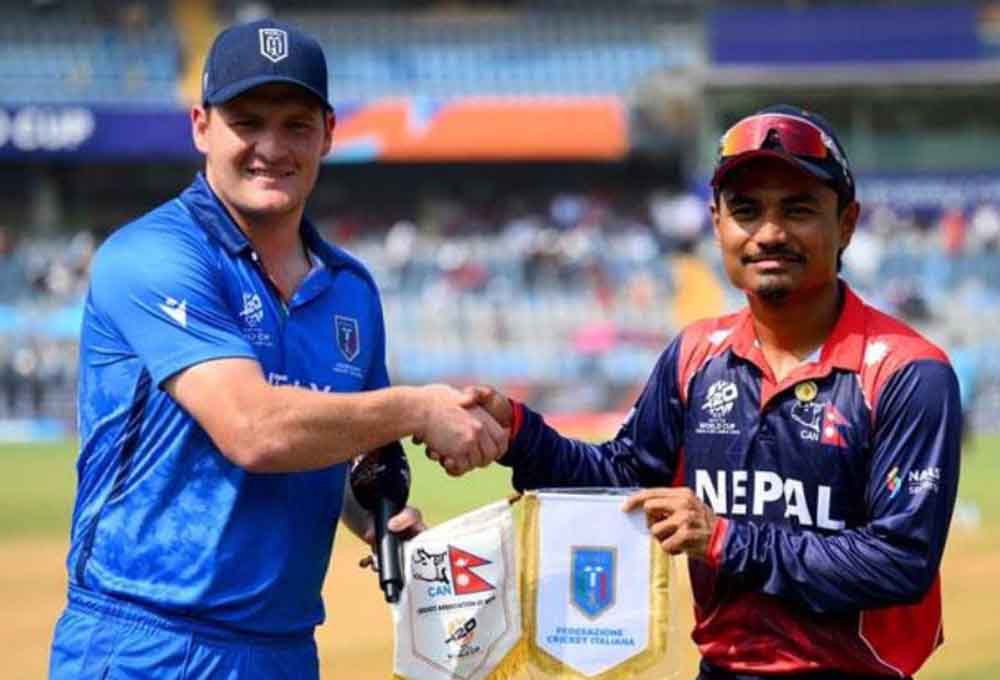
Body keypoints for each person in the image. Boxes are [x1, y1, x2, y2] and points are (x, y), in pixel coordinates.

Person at [436, 105, 962, 680]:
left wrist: (725, 539)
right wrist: (517, 433)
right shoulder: (695, 356)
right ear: (717, 224)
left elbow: (899, 561)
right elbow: (623, 484)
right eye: (746, 211)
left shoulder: (908, 372)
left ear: (847, 223)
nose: (770, 233)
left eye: (798, 209)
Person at [49, 18, 505, 680]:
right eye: (247, 122)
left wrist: (377, 519)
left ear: (328, 133)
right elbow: (254, 429)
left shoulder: (350, 288)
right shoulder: (151, 254)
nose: (272, 147)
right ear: (202, 126)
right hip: (144, 644)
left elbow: (350, 451)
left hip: (285, 649)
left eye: (296, 125)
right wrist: (418, 408)